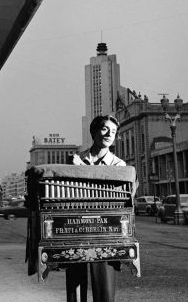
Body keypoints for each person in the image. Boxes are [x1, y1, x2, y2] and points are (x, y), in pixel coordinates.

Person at [66, 115, 127, 302]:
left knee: (104, 289)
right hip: (76, 230)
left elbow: (122, 201)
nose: (110, 134)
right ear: (93, 131)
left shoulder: (119, 165)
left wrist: (81, 173)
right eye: (105, 129)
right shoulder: (76, 160)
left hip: (106, 231)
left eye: (114, 132)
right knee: (75, 290)